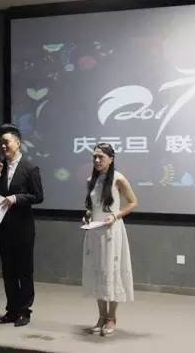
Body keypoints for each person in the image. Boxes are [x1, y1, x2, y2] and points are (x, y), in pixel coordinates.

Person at [0, 123, 43, 327]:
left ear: (17, 143)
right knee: (8, 270)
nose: (3, 146)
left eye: (6, 142)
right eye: (0, 143)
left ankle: (24, 311)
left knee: (24, 270)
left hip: (23, 227)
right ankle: (11, 310)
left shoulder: (30, 168)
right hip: (3, 226)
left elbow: (38, 196)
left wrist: (16, 198)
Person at [82, 143, 138, 336]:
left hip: (112, 231)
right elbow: (91, 207)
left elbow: (133, 202)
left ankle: (111, 317)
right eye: (95, 157)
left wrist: (115, 216)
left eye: (101, 157)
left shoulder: (118, 178)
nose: (97, 160)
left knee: (111, 272)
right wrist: (87, 216)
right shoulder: (91, 179)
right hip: (95, 231)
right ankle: (101, 316)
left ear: (111, 159)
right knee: (97, 271)